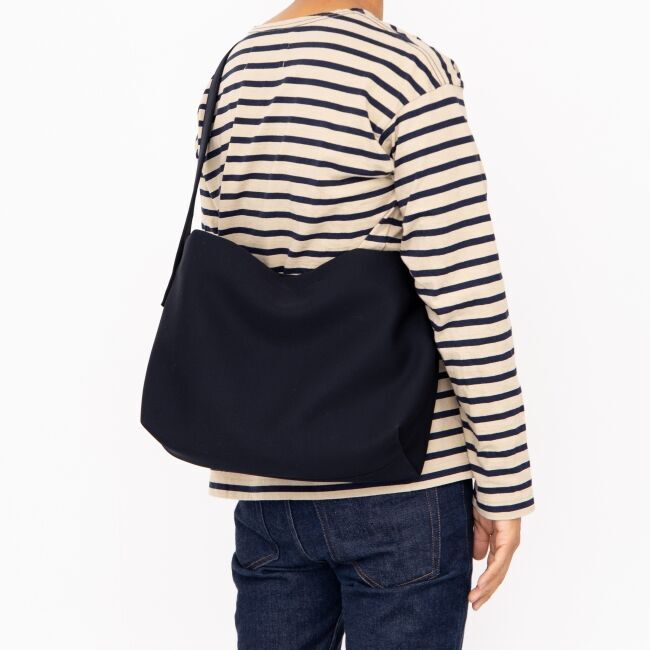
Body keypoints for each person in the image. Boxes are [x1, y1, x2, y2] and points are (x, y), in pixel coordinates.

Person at [197, 1, 535, 647]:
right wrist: (504, 482)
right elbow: (464, 290)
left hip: (267, 484)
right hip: (403, 480)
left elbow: (241, 261)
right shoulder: (407, 71)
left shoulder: (232, 71)